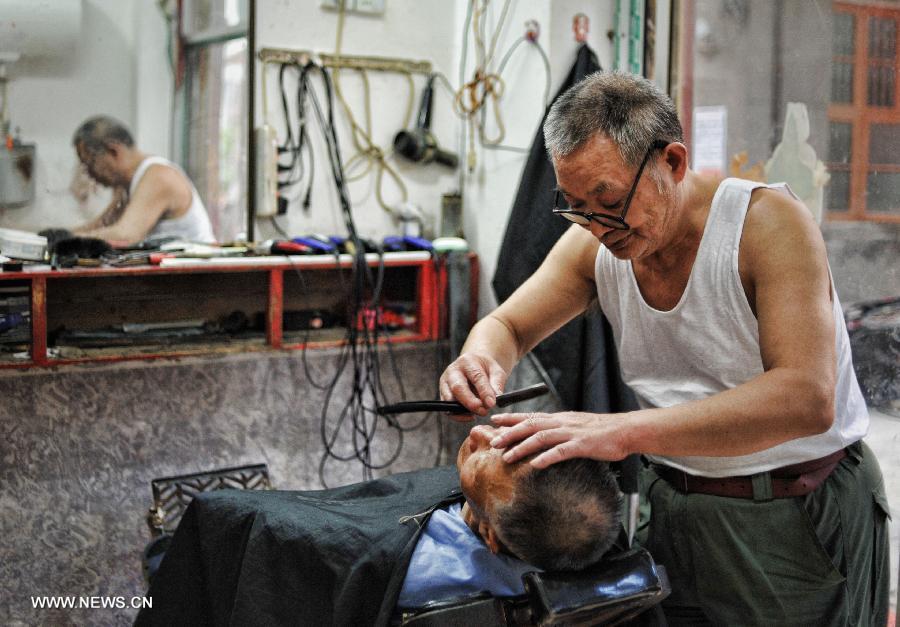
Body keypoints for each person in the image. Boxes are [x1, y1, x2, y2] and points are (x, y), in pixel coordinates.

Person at [440, 71, 890, 626]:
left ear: (672, 162)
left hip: (792, 509)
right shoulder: (596, 241)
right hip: (672, 502)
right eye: (575, 205)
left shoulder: (766, 225)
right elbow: (507, 325)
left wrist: (620, 431)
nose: (594, 225)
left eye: (607, 200)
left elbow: (805, 396)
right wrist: (479, 359)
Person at [136, 424, 622, 625]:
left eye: (482, 461)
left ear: (491, 537)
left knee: (203, 538)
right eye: (508, 440)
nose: (480, 434)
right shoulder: (578, 543)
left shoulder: (413, 570)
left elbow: (261, 538)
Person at [70, 115, 215, 245]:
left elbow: (124, 236)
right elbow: (102, 226)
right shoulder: (126, 186)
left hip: (199, 271)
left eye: (90, 163)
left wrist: (67, 242)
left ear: (114, 151)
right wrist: (56, 237)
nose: (89, 173)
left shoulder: (158, 176)